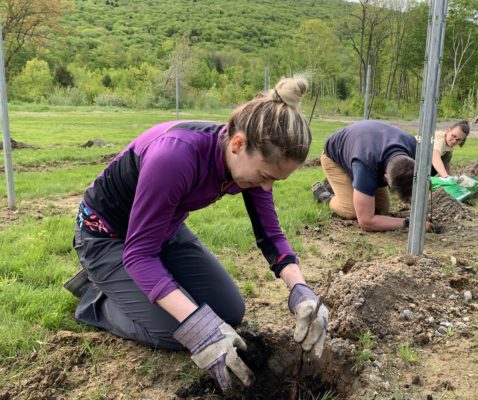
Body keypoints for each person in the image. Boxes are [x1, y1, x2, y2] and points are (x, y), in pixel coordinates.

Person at [63, 77, 328, 392]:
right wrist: (198, 329)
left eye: (276, 180)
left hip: (164, 230)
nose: (267, 187)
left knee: (229, 311)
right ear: (238, 144)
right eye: (265, 176)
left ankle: (136, 288)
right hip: (108, 239)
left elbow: (270, 234)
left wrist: (301, 292)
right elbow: (138, 254)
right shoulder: (175, 157)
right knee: (177, 331)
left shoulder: (248, 162)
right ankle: (97, 297)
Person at [312, 120, 416, 232]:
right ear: (385, 176)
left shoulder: (414, 147)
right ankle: (323, 195)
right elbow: (366, 222)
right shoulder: (366, 165)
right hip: (334, 158)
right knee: (351, 211)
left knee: (382, 208)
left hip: (363, 149)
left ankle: (342, 184)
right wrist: (409, 224)